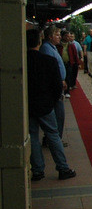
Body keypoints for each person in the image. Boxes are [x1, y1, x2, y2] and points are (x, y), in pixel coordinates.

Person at [26, 28, 75, 181]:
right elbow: (56, 86)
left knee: (33, 136)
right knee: (53, 135)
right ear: (40, 42)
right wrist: (53, 101)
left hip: (28, 105)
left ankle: (38, 170)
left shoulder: (21, 60)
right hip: (46, 105)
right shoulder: (48, 60)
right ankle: (62, 168)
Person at [39, 25, 67, 140]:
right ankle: (54, 139)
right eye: (57, 35)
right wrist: (60, 81)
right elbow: (50, 70)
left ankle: (54, 138)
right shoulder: (46, 49)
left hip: (57, 84)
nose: (59, 37)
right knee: (59, 114)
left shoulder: (52, 47)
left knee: (59, 115)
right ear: (50, 37)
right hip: (54, 87)